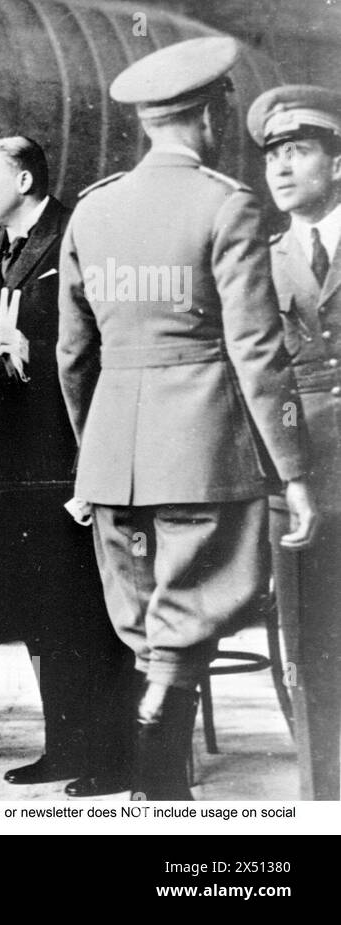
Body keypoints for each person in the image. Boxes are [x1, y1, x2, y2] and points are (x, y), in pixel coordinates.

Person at [58, 38, 316, 801]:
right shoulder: (225, 202)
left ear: (145, 123)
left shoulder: (94, 210)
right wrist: (293, 473)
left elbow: (73, 354)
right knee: (186, 629)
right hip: (203, 450)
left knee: (147, 628)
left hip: (114, 458)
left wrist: (90, 454)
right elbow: (258, 353)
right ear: (211, 112)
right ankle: (160, 788)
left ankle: (157, 790)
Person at [0, 136, 134, 797]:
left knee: (93, 611)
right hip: (17, 459)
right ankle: (67, 742)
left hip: (74, 453)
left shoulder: (77, 232)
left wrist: (33, 349)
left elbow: (106, 341)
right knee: (47, 609)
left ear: (22, 179)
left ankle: (117, 754)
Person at [248, 84, 341, 800]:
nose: (281, 167)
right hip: (299, 474)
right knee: (306, 649)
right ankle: (323, 797)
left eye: (299, 150)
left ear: (335, 164)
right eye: (273, 153)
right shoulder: (263, 258)